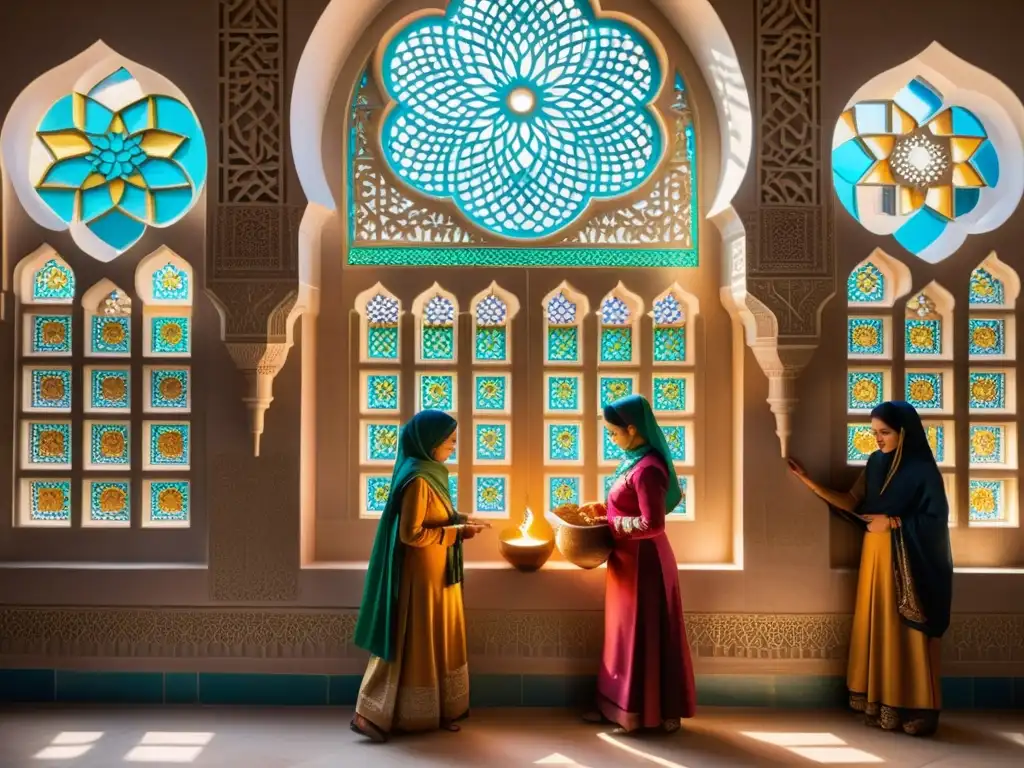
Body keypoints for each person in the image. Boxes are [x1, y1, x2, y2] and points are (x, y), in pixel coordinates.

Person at [789, 400, 953, 736]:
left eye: (885, 432)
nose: (878, 439)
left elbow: (936, 520)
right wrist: (809, 483)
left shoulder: (922, 470)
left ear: (904, 433)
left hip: (909, 559)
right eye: (874, 432)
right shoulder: (876, 463)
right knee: (880, 626)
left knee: (906, 632)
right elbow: (852, 501)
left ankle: (918, 707)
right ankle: (882, 702)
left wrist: (893, 522)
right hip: (875, 554)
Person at [351, 410, 489, 742]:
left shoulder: (432, 473)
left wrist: (463, 521)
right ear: (430, 442)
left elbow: (437, 517)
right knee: (411, 639)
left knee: (435, 638)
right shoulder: (418, 480)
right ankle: (369, 715)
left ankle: (434, 710)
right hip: (420, 577)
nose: (454, 447)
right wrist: (457, 533)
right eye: (450, 441)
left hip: (438, 573)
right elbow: (411, 534)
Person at [581, 394, 696, 733]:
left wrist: (613, 525)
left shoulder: (649, 470)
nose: (611, 438)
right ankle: (618, 708)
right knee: (623, 637)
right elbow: (625, 506)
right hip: (626, 562)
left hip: (646, 564)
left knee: (642, 636)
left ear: (632, 429)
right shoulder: (633, 461)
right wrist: (602, 510)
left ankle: (647, 713)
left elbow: (653, 524)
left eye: (614, 432)